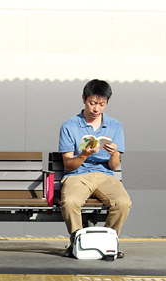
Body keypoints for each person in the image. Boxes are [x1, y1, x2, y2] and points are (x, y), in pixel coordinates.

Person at [58, 79, 131, 258]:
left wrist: (114, 153)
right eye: (92, 103)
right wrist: (83, 155)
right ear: (84, 99)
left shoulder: (115, 126)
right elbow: (68, 164)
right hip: (77, 175)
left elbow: (114, 165)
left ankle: (108, 241)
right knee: (69, 202)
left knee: (123, 203)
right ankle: (77, 242)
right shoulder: (69, 125)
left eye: (101, 104)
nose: (96, 109)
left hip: (105, 175)